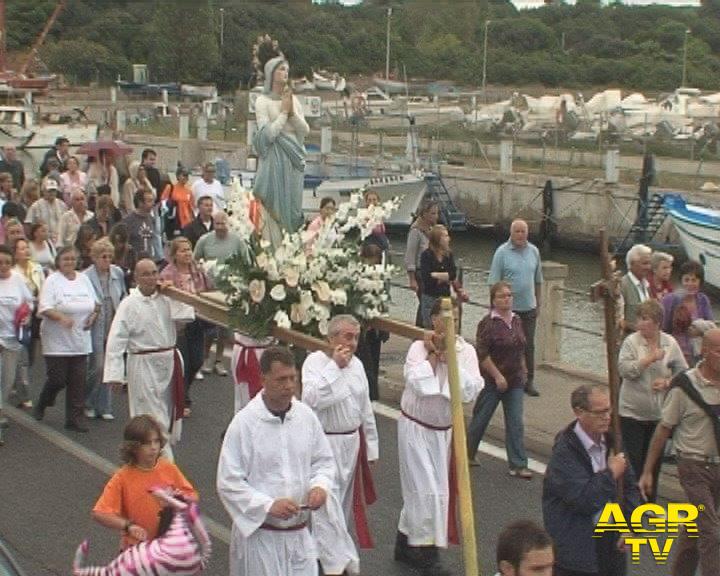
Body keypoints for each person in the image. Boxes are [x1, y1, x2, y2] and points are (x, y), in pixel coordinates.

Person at [217, 345, 336, 576]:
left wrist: (320, 487)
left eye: (293, 378)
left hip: (300, 538)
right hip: (262, 539)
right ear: (263, 379)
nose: (289, 385)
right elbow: (228, 482)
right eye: (281, 379)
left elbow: (323, 461)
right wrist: (268, 505)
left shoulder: (305, 417)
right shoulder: (245, 424)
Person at [395, 298, 483, 576]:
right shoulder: (417, 348)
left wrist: (451, 360)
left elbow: (470, 390)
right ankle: (427, 555)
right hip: (415, 427)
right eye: (444, 318)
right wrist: (434, 356)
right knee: (425, 490)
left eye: (454, 318)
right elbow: (418, 383)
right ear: (433, 320)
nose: (449, 324)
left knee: (435, 490)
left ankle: (403, 542)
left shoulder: (466, 351)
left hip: (442, 432)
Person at [301, 314, 379, 576]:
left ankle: (324, 557)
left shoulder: (357, 366)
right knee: (327, 506)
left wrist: (372, 445)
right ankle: (341, 564)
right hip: (324, 442)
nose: (353, 343)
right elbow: (312, 399)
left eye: (356, 337)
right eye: (347, 336)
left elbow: (365, 407)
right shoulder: (314, 362)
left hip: (351, 442)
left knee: (342, 506)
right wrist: (334, 367)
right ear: (331, 337)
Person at [639, 328, 720, 576]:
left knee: (695, 530)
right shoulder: (684, 386)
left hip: (718, 467)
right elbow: (663, 430)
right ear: (704, 351)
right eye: (718, 350)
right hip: (693, 466)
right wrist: (648, 472)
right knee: (712, 532)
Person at [543, 384, 640, 576]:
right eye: (600, 412)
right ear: (579, 412)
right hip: (577, 547)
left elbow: (629, 487)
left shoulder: (614, 441)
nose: (607, 417)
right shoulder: (565, 452)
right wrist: (610, 473)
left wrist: (630, 526)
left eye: (609, 410)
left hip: (611, 541)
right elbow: (584, 500)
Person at [104, 258, 195, 461]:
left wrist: (175, 293)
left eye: (155, 272)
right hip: (143, 365)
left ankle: (152, 457)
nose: (152, 278)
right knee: (151, 417)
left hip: (168, 362)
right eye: (146, 274)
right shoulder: (129, 304)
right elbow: (116, 340)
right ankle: (163, 463)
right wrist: (115, 374)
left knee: (168, 414)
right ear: (136, 278)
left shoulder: (165, 298)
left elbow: (186, 316)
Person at [92, 415, 197, 549]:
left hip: (165, 547)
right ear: (133, 447)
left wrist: (178, 499)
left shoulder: (168, 468)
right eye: (147, 443)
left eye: (156, 441)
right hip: (135, 550)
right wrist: (128, 526)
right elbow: (99, 513)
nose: (153, 447)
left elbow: (192, 496)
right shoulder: (123, 477)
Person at [618, 299, 686, 501]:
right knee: (635, 462)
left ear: (657, 322)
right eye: (638, 318)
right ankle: (632, 504)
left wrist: (667, 382)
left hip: (658, 414)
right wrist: (648, 359)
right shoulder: (632, 342)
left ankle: (650, 502)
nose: (639, 323)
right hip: (632, 412)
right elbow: (624, 370)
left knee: (654, 463)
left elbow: (683, 371)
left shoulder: (669, 343)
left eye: (644, 319)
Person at [467, 281, 532, 477]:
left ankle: (518, 464)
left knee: (515, 421)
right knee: (481, 418)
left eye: (509, 295)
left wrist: (524, 367)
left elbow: (521, 346)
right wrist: (497, 376)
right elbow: (483, 353)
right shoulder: (488, 324)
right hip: (492, 379)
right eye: (502, 296)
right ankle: (467, 453)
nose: (507, 299)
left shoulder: (517, 320)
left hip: (515, 379)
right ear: (493, 301)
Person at [34, 246, 99, 432]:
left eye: (72, 259)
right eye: (65, 259)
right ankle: (44, 401)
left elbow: (95, 305)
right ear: (58, 262)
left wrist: (92, 318)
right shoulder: (52, 281)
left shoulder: (84, 279)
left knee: (78, 381)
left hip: (80, 339)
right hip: (56, 340)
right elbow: (44, 308)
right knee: (58, 379)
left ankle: (74, 419)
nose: (69, 263)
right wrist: (61, 318)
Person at [253, 56, 309, 242]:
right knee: (272, 207)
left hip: (293, 158)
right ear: (271, 73)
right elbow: (266, 135)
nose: (285, 73)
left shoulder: (293, 100)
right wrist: (284, 113)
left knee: (293, 207)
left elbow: (304, 130)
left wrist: (291, 112)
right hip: (274, 159)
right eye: (280, 69)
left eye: (286, 69)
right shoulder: (263, 102)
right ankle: (273, 247)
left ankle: (291, 244)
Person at [488, 219, 543, 397]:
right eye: (517, 232)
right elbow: (494, 283)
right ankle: (506, 376)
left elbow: (538, 280)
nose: (521, 235)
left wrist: (538, 302)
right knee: (506, 344)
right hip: (508, 310)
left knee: (529, 345)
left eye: (523, 232)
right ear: (511, 233)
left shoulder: (534, 251)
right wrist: (494, 309)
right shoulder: (502, 253)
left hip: (528, 307)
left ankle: (530, 380)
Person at [159, 237, 212, 415]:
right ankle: (180, 400)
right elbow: (161, 291)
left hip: (197, 320)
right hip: (179, 324)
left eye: (189, 249)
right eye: (182, 250)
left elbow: (208, 289)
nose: (187, 253)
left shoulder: (197, 271)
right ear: (174, 255)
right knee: (184, 364)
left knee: (197, 361)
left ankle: (183, 392)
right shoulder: (168, 273)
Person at [83, 237, 126, 421]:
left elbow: (123, 295)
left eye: (109, 256)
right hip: (95, 324)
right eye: (102, 257)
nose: (106, 260)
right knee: (97, 366)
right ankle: (87, 401)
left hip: (112, 323)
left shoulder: (117, 273)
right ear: (94, 257)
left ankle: (104, 406)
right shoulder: (86, 276)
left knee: (110, 366)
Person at [0, 245, 34, 429]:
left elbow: (29, 301)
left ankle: (2, 407)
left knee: (8, 378)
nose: (3, 266)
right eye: (0, 263)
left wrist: (27, 315)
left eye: (7, 262)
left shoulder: (18, 279)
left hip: (12, 337)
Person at [662, 259, 714, 366]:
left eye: (694, 280)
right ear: (681, 281)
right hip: (674, 353)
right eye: (686, 280)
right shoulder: (670, 300)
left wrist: (699, 331)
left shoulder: (703, 300)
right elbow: (663, 329)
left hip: (698, 354)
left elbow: (711, 328)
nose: (690, 284)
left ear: (700, 282)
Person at [11, 238, 44, 409]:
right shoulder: (14, 273)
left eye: (26, 248)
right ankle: (23, 393)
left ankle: (16, 382)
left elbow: (40, 290)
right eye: (21, 248)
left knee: (30, 356)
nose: (25, 251)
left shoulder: (36, 269)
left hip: (35, 316)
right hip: (16, 320)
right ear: (15, 253)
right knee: (21, 357)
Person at [355, 242, 389, 401]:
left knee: (374, 361)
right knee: (365, 362)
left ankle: (372, 394)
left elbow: (383, 300)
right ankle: (369, 393)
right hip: (363, 326)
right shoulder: (358, 277)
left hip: (375, 327)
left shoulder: (379, 277)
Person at [418, 224, 466, 328]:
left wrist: (435, 275)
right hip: (430, 297)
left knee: (447, 327)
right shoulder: (426, 255)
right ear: (437, 239)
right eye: (445, 236)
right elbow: (426, 279)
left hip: (445, 296)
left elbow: (453, 274)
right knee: (431, 327)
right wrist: (445, 277)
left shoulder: (448, 255)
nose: (448, 239)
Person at [404, 200, 439, 327]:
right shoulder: (416, 231)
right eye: (433, 213)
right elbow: (410, 254)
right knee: (425, 303)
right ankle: (420, 331)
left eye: (436, 213)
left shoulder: (431, 230)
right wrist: (412, 279)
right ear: (424, 214)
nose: (436, 216)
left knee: (429, 303)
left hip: (431, 272)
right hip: (420, 272)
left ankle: (423, 329)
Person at [619, 243, 652, 335]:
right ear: (632, 264)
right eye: (645, 263)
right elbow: (618, 320)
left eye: (649, 263)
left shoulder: (646, 285)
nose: (648, 267)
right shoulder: (623, 285)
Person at [123, 189, 162, 261]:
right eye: (149, 201)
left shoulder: (151, 219)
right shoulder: (127, 221)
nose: (153, 204)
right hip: (134, 262)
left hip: (150, 260)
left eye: (153, 200)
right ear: (140, 203)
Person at [25, 179, 66, 244]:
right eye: (49, 191)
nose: (52, 193)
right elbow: (28, 225)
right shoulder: (35, 206)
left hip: (60, 241)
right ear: (44, 191)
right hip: (42, 241)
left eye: (54, 190)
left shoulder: (62, 205)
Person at [160, 165, 194, 238]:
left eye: (187, 175)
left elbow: (191, 208)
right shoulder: (170, 188)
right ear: (178, 176)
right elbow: (163, 203)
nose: (185, 177)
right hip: (173, 221)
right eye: (183, 175)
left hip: (186, 222)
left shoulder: (189, 191)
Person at [108, 223, 137, 290]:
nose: (118, 245)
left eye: (120, 242)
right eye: (115, 242)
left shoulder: (130, 252)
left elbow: (133, 271)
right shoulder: (108, 252)